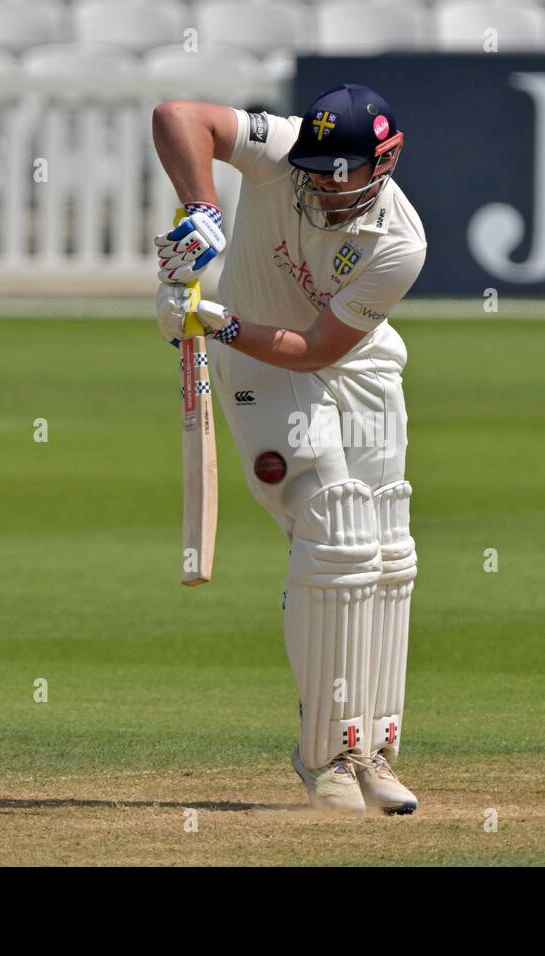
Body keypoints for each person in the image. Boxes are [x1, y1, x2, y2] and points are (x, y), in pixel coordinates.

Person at [152, 83, 426, 815]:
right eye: (318, 171)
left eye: (347, 175)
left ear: (385, 162)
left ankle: (377, 747)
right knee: (333, 533)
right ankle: (328, 756)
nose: (328, 189)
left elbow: (314, 349)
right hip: (261, 370)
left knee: (389, 545)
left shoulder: (399, 244)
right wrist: (201, 210)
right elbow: (179, 117)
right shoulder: (287, 147)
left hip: (337, 355)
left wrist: (215, 322)